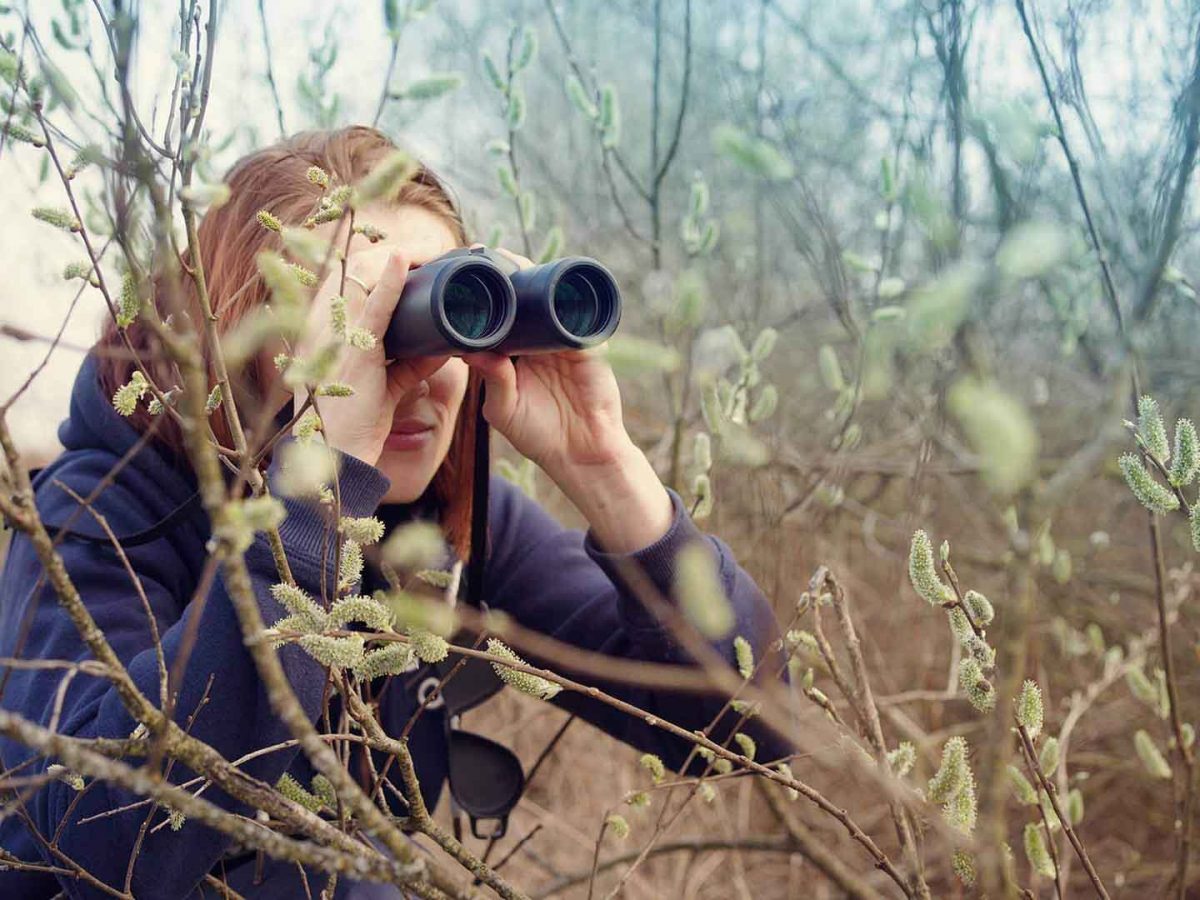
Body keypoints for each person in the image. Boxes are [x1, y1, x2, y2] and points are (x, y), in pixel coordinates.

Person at [0, 125, 788, 898]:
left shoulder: (436, 512)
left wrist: (609, 469)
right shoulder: (100, 511)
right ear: (239, 339)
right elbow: (96, 855)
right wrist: (313, 508)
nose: (415, 371)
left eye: (443, 313)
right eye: (360, 319)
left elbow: (744, 733)